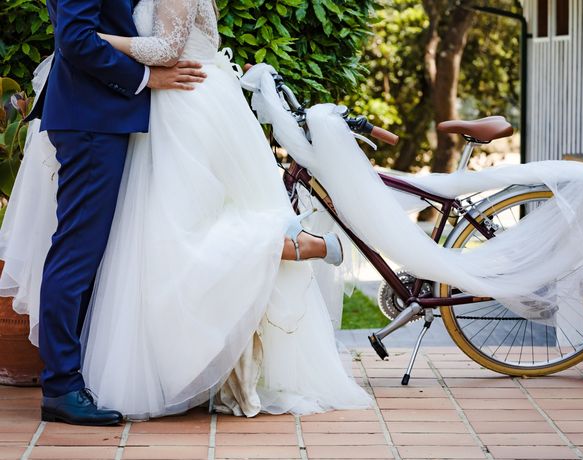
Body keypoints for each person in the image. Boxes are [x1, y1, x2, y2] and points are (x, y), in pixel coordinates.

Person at [0, 0, 372, 423]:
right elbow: (76, 39)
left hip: (117, 117)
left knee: (112, 250)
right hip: (94, 119)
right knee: (78, 251)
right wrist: (146, 77)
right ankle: (63, 386)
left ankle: (75, 375)